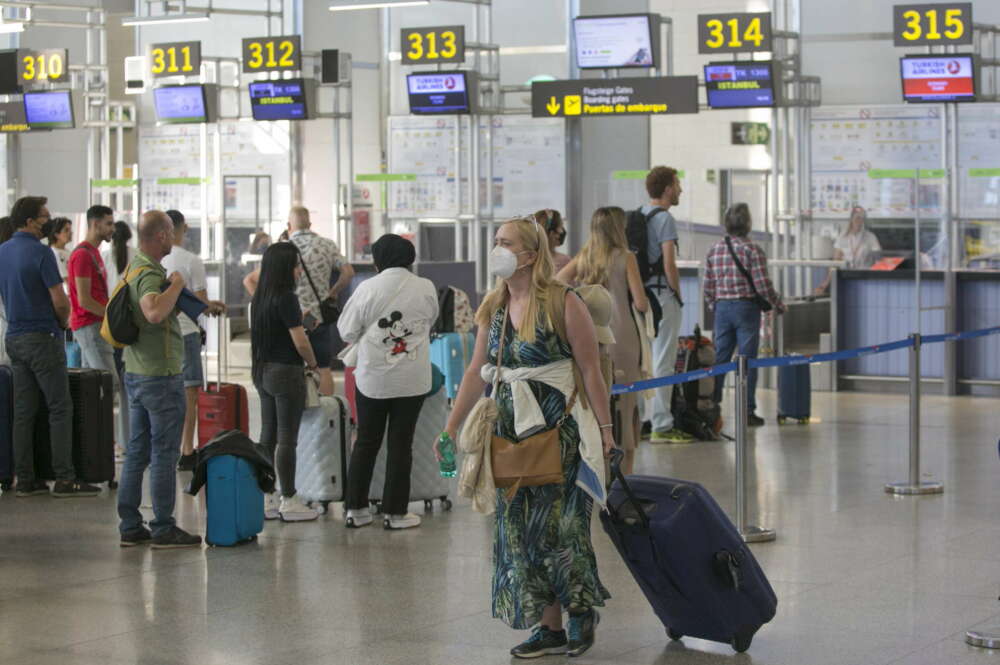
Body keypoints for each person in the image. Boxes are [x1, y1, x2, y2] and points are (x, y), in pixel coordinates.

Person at [440, 217, 615, 659]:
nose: (497, 247)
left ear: (530, 255)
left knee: (565, 527)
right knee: (521, 531)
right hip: (510, 432)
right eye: (495, 241)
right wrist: (450, 426)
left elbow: (591, 369)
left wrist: (608, 431)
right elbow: (476, 372)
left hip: (561, 428)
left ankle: (579, 613)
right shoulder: (494, 306)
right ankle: (548, 626)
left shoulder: (562, 301)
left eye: (506, 242)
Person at [117, 210, 222, 548]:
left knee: (137, 451)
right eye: (171, 233)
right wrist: (177, 284)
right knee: (163, 452)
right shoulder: (148, 271)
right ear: (162, 235)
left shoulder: (132, 267)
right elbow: (153, 311)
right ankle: (163, 526)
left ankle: (130, 525)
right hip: (158, 376)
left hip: (136, 370)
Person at [0, 196, 99, 497]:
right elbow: (59, 299)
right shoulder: (42, 254)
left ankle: (26, 479)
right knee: (59, 407)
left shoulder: (2, 251)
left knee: (24, 410)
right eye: (44, 216)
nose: (49, 220)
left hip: (14, 338)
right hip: (42, 336)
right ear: (30, 221)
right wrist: (64, 321)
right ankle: (65, 478)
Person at [338, 234, 438, 530]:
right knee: (400, 444)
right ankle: (396, 513)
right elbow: (430, 320)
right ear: (410, 258)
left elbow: (346, 330)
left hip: (374, 377)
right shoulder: (425, 287)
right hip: (413, 378)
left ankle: (355, 509)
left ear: (377, 260)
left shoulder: (368, 287)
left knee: (366, 441)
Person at [557, 206, 649, 474]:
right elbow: (641, 302)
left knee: (596, 397)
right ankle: (627, 470)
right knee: (627, 404)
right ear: (620, 229)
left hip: (590, 334)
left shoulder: (584, 257)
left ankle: (599, 466)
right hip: (623, 336)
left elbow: (559, 280)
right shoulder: (626, 257)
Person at [244, 206, 355, 396]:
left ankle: (297, 411)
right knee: (323, 366)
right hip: (316, 318)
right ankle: (324, 415)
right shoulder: (327, 245)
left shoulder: (282, 251)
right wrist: (333, 292)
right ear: (310, 224)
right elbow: (348, 272)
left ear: (289, 225)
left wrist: (267, 304)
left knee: (291, 366)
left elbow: (249, 280)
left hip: (287, 320)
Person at [250, 242, 321, 522]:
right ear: (285, 269)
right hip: (286, 372)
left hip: (262, 371)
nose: (299, 271)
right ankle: (289, 498)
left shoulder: (260, 297)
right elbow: (299, 341)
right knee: (287, 439)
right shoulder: (287, 297)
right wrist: (313, 363)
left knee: (267, 436)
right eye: (296, 265)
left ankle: (266, 496)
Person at [703, 203, 785, 427]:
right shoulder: (753, 250)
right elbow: (762, 285)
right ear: (748, 224)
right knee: (747, 361)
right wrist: (777, 303)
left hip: (722, 309)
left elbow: (708, 286)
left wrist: (716, 305)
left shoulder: (715, 249)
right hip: (746, 309)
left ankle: (712, 407)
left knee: (720, 359)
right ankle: (747, 410)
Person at [67, 205, 129, 456]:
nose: (112, 229)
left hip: (95, 326)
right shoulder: (82, 255)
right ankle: (103, 443)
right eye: (108, 224)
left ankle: (93, 443)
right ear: (94, 224)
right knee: (105, 384)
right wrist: (112, 315)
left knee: (92, 386)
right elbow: (84, 300)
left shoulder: (94, 253)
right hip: (90, 326)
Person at [640, 166, 693, 444]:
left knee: (643, 362)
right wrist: (678, 295)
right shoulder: (665, 219)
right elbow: (669, 263)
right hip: (662, 295)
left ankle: (640, 420)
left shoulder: (640, 214)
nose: (681, 190)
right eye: (678, 184)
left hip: (641, 296)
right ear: (668, 188)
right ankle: (663, 424)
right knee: (664, 361)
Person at [161, 210, 210, 472]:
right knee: (190, 393)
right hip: (187, 333)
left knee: (165, 392)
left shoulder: (151, 260)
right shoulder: (191, 260)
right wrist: (212, 306)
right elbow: (200, 303)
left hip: (161, 334)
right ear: (184, 228)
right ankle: (187, 450)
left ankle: (165, 449)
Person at [815, 205, 882, 294]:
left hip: (865, 279)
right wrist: (826, 283)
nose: (860, 221)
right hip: (847, 279)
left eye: (862, 218)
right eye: (857, 218)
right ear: (851, 219)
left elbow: (879, 259)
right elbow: (835, 263)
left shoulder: (870, 237)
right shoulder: (843, 237)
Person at [102, 221, 136, 295]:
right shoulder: (137, 255)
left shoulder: (103, 256)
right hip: (130, 300)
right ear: (128, 235)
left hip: (109, 300)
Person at [44, 216, 73, 285]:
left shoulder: (67, 251)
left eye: (70, 230)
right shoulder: (55, 253)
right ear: (57, 235)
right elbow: (66, 279)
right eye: (66, 230)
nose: (71, 232)